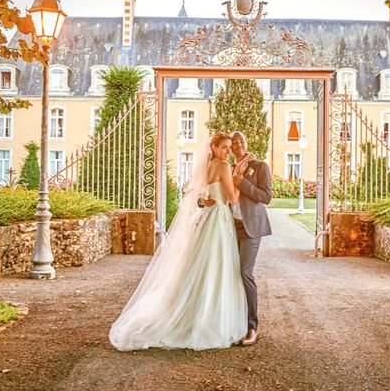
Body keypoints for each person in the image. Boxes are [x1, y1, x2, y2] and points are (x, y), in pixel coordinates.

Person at [109, 132, 255, 351]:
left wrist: (202, 200)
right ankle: (209, 318)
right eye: (223, 147)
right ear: (213, 148)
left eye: (228, 147)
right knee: (218, 265)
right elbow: (233, 198)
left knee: (204, 264)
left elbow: (195, 194)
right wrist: (239, 176)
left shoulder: (208, 166)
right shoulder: (224, 167)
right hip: (219, 219)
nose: (227, 151)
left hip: (209, 218)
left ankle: (195, 309)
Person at [200, 131, 272, 346]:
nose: (237, 146)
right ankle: (234, 323)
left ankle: (252, 327)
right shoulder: (227, 165)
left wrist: (242, 183)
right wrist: (201, 202)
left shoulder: (259, 166)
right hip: (228, 227)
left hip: (250, 229)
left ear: (247, 143)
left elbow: (266, 197)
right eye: (234, 144)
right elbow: (211, 191)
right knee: (228, 273)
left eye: (241, 142)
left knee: (244, 272)